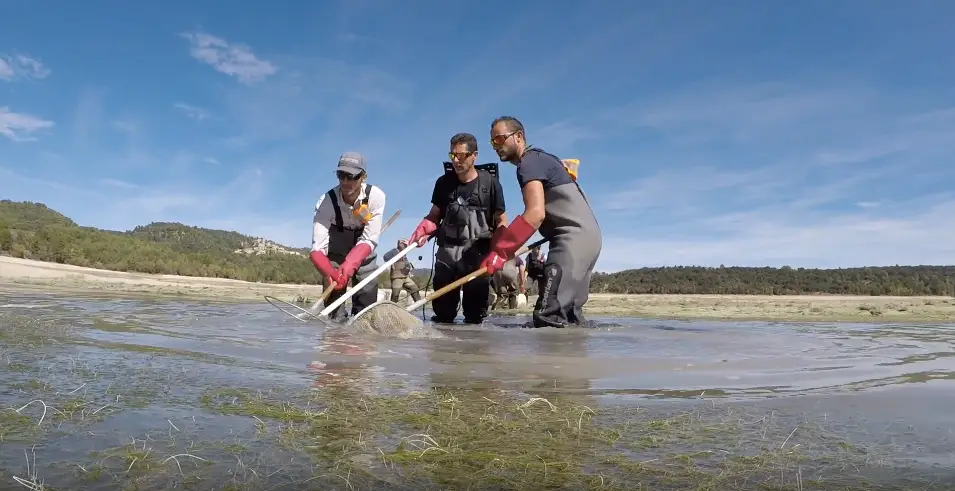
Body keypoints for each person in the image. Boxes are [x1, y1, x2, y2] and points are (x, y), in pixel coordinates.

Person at [482, 116, 602, 328]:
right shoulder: (544, 159)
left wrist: (501, 251)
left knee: (548, 318)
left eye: (500, 139)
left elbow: (535, 214)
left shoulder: (528, 163)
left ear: (518, 137)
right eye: (493, 142)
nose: (496, 146)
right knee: (570, 318)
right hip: (589, 239)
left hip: (572, 240)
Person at [408, 132, 508, 324]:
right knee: (443, 316)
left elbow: (502, 221)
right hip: (447, 253)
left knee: (475, 317)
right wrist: (422, 229)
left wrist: (498, 251)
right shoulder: (443, 183)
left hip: (477, 255)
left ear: (474, 155)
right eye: (452, 155)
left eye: (461, 155)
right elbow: (434, 216)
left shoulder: (490, 184)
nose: (456, 160)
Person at [308, 151, 386, 321]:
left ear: (363, 177)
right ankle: (335, 338)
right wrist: (329, 272)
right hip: (336, 249)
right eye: (341, 175)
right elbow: (317, 249)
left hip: (363, 247)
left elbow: (370, 238)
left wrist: (351, 263)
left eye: (351, 176)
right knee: (333, 305)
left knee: (367, 294)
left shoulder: (376, 196)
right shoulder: (325, 202)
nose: (345, 182)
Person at [383, 239, 422, 304]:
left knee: (414, 288)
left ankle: (418, 303)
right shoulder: (395, 251)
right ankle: (392, 308)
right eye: (404, 245)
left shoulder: (404, 253)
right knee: (395, 294)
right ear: (400, 244)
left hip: (406, 277)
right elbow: (385, 257)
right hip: (397, 277)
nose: (406, 246)